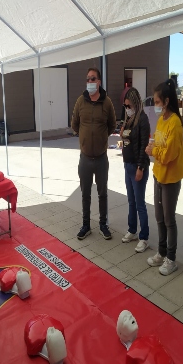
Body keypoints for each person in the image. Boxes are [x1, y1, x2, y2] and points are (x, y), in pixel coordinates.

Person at [145, 79, 183, 275]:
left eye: (157, 102)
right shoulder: (161, 121)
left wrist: (154, 151)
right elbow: (156, 141)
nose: (155, 106)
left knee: (169, 219)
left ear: (167, 101)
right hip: (158, 175)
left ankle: (171, 258)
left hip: (170, 178)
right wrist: (152, 147)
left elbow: (169, 154)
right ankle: (161, 252)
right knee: (159, 217)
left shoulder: (176, 124)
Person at [71, 68, 116, 240]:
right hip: (85, 158)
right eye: (88, 79)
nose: (90, 82)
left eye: (93, 79)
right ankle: (86, 225)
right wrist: (84, 139)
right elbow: (75, 124)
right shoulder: (80, 102)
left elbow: (112, 125)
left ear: (99, 82)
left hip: (101, 158)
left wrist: (101, 137)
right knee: (85, 194)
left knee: (102, 193)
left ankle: (103, 224)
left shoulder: (107, 103)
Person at [120, 87, 151, 252]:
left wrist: (140, 167)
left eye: (129, 106)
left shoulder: (143, 120)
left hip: (138, 166)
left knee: (140, 203)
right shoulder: (128, 120)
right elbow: (127, 139)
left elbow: (142, 148)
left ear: (136, 104)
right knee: (131, 201)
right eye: (125, 106)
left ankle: (144, 237)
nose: (127, 109)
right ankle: (132, 229)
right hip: (128, 165)